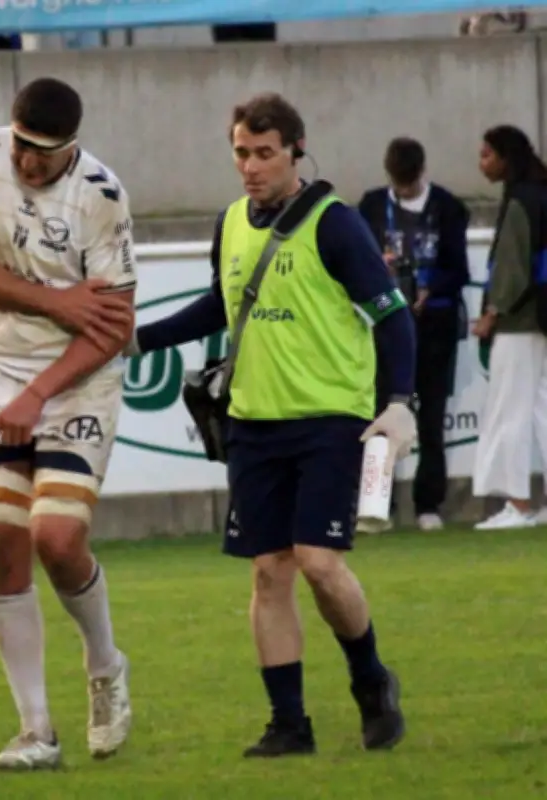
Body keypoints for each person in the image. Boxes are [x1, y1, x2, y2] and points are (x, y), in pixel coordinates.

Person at [126, 92, 417, 756]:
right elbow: (218, 304)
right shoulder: (229, 222)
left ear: (294, 150)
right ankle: (289, 724)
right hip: (252, 423)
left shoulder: (335, 224)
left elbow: (392, 315)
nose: (250, 166)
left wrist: (399, 400)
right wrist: (138, 339)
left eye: (264, 153)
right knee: (267, 573)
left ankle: (369, 679)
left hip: (328, 420)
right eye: (240, 153)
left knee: (318, 563)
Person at [0, 77, 136, 771]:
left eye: (43, 155)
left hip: (76, 383)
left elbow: (113, 327)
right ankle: (36, 732)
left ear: (71, 148)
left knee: (55, 537)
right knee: (0, 539)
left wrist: (40, 393)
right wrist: (54, 301)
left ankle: (106, 664)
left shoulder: (104, 196)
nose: (27, 163)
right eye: (22, 146)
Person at [358, 138, 470, 531]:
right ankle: (377, 504)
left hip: (435, 325)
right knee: (380, 416)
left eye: (408, 184)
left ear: (421, 173)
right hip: (388, 324)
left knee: (433, 416)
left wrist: (429, 287)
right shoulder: (372, 207)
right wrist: (379, 264)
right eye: (397, 185)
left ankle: (429, 504)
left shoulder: (449, 208)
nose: (403, 191)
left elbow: (460, 270)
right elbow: (355, 263)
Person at [472, 125, 547, 529]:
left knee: (510, 409)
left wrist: (491, 313)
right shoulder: (541, 194)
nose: (481, 163)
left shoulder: (520, 200)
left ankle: (517, 504)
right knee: (541, 408)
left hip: (519, 320)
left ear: (505, 157)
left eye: (486, 154)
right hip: (542, 317)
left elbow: (512, 268)